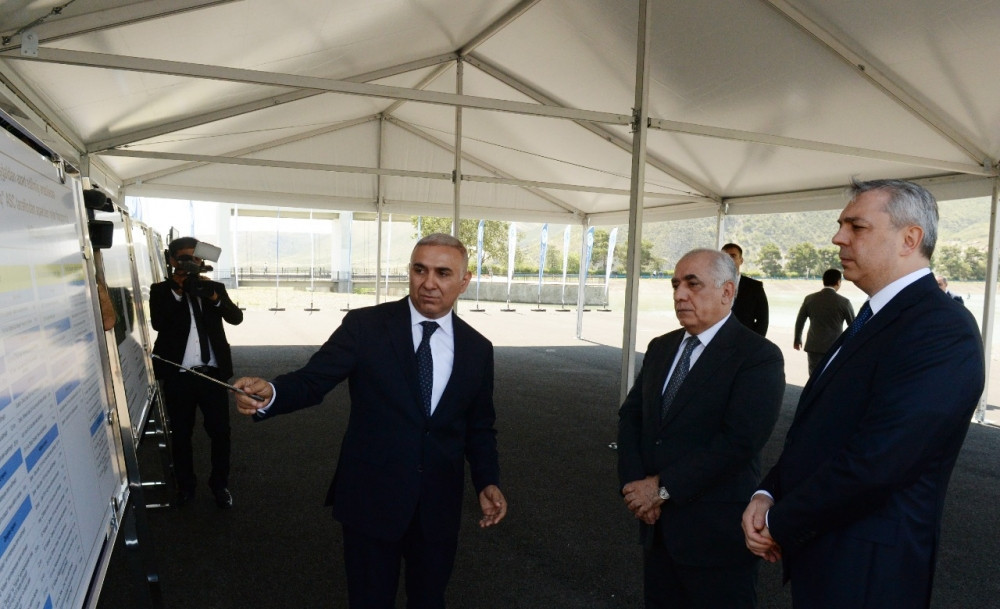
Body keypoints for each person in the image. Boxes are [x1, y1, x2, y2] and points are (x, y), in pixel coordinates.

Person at [742, 179, 985, 609]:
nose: (838, 238)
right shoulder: (875, 315)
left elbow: (881, 461)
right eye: (841, 225)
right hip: (829, 553)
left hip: (870, 571)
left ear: (910, 239)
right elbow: (820, 430)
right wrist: (768, 492)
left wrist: (780, 521)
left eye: (856, 227)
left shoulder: (941, 328)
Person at [233, 233, 507, 609]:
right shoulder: (366, 326)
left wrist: (487, 480)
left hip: (437, 507)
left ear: (464, 280)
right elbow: (313, 380)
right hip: (371, 499)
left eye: (443, 273)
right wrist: (272, 393)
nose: (429, 282)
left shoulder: (478, 349)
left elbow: (479, 427)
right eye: (420, 270)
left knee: (429, 600)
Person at [617, 248, 785, 609]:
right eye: (676, 284)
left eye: (693, 284)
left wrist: (661, 489)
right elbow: (632, 417)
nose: (680, 294)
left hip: (716, 537)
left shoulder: (757, 357)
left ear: (727, 292)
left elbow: (739, 442)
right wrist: (634, 488)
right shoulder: (661, 347)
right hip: (657, 530)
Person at [150, 236, 243, 508]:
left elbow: (236, 318)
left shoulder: (214, 287)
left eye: (196, 258)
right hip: (179, 374)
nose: (191, 262)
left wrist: (213, 297)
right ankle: (186, 486)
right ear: (172, 260)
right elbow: (158, 323)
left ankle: (220, 485)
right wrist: (178, 291)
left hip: (212, 373)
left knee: (220, 433)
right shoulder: (161, 290)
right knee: (181, 434)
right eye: (184, 258)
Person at [793, 269, 856, 374]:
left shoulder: (809, 299)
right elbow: (853, 325)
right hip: (834, 346)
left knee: (814, 376)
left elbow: (800, 320)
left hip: (813, 345)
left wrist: (797, 339)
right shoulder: (844, 302)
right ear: (838, 282)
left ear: (823, 281)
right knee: (831, 376)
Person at [721, 243, 769, 336]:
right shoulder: (712, 284)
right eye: (725, 257)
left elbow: (763, 320)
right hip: (717, 339)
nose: (729, 260)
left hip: (744, 339)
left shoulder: (755, 287)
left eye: (733, 256)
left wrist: (755, 342)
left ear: (741, 260)